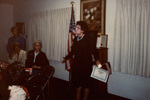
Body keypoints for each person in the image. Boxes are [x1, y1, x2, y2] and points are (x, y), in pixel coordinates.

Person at [62, 21, 101, 100]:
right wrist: (66, 58)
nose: (75, 29)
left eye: (78, 28)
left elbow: (94, 51)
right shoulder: (76, 39)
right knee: (77, 83)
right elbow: (73, 51)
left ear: (82, 30)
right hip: (77, 65)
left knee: (86, 83)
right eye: (76, 27)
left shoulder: (88, 38)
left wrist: (97, 60)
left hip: (86, 65)